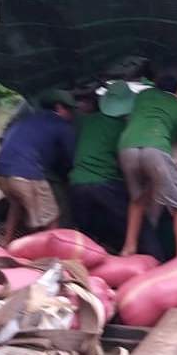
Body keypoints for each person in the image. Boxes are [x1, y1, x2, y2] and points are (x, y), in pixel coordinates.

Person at [117, 70, 177, 258]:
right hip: (156, 149)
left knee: (137, 201)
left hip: (126, 147)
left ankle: (128, 248)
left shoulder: (143, 96)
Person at [0, 89, 76, 243]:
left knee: (16, 204)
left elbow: (4, 139)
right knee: (51, 217)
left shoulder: (27, 119)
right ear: (60, 108)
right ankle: (52, 259)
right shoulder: (61, 125)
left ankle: (7, 241)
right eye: (71, 110)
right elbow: (70, 159)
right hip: (25, 173)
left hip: (0, 171)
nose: (73, 115)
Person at [68, 83, 136, 252]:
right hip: (105, 183)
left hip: (76, 183)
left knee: (85, 237)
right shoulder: (122, 127)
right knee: (130, 225)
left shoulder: (86, 121)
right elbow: (124, 162)